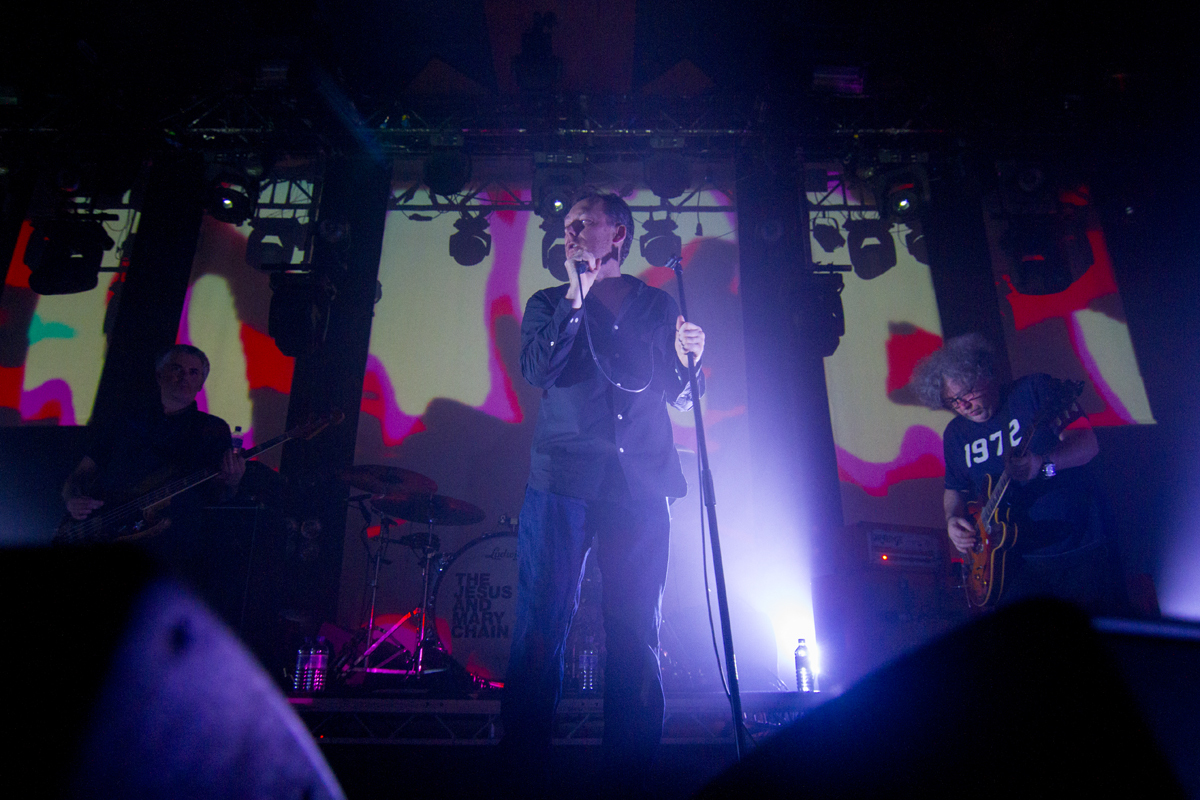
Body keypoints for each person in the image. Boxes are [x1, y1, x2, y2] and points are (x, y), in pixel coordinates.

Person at [502, 191, 705, 795]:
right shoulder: (546, 301)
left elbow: (679, 393)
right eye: (567, 225)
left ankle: (630, 777)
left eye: (584, 223)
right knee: (540, 627)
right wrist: (576, 296)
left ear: (618, 234)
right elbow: (538, 370)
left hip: (639, 486)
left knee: (635, 631)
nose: (571, 232)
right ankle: (522, 774)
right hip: (562, 482)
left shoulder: (656, 303)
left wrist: (694, 362)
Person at [911, 333, 1115, 613]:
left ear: (984, 374)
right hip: (1010, 564)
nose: (963, 406)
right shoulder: (956, 434)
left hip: (1073, 548)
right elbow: (954, 488)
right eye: (953, 402)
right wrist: (951, 519)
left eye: (967, 393)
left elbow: (1088, 444)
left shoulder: (1033, 391)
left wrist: (1043, 465)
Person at [61, 344, 245, 560]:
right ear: (159, 375)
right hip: (101, 530)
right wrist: (72, 499)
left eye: (193, 372)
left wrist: (233, 481)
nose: (184, 376)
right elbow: (83, 472)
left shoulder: (212, 429)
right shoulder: (126, 419)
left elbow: (218, 496)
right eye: (177, 368)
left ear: (201, 383)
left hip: (167, 545)